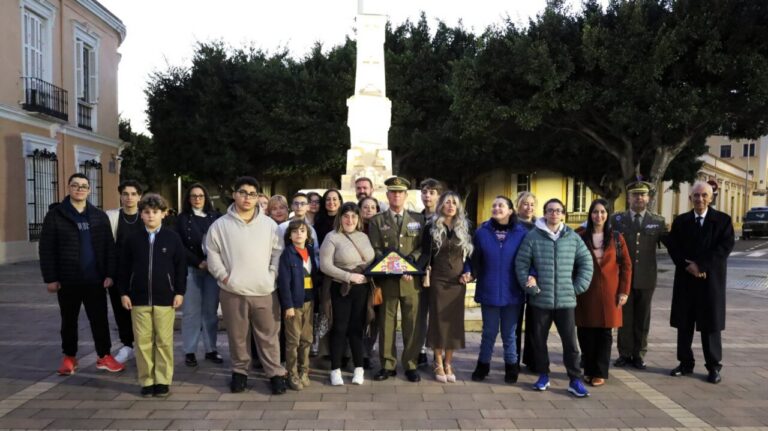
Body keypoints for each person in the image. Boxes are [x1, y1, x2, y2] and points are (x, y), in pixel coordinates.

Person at [205, 176, 287, 394]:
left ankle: (275, 373)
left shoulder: (270, 226)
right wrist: (224, 276)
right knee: (237, 335)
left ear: (258, 196)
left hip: (264, 290)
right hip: (233, 290)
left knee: (269, 335)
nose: (247, 198)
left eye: (252, 194)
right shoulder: (220, 225)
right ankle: (240, 372)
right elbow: (212, 253)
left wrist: (272, 274)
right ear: (235, 194)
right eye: (243, 192)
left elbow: (278, 252)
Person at [39, 173, 124, 376]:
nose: (79, 189)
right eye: (75, 185)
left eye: (84, 186)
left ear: (89, 190)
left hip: (95, 280)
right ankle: (69, 357)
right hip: (68, 280)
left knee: (100, 320)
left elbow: (108, 248)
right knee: (69, 321)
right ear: (68, 188)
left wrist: (110, 274)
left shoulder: (98, 216)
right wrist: (50, 278)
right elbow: (46, 248)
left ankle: (104, 356)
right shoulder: (56, 215)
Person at [515, 198, 593, 397]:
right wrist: (530, 286)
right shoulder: (533, 236)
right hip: (540, 300)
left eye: (558, 211)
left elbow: (586, 262)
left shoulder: (572, 237)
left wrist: (578, 286)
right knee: (539, 341)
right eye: (550, 210)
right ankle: (543, 375)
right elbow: (521, 264)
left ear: (563, 214)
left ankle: (575, 379)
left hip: (566, 301)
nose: (554, 214)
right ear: (545, 213)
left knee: (570, 342)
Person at [665, 181, 734, 384]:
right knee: (684, 324)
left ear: (711, 198)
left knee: (710, 326)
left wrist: (702, 266)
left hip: (710, 282)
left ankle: (713, 366)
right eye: (696, 195)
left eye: (704, 195)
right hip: (686, 281)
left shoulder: (722, 221)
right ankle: (685, 363)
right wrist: (689, 267)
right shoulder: (681, 221)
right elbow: (673, 246)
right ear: (690, 198)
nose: (700, 199)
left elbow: (725, 247)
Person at [119, 194, 186, 397]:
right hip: (138, 299)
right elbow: (123, 267)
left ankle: (163, 380)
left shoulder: (172, 238)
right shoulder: (132, 239)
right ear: (141, 214)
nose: (151, 216)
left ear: (163, 214)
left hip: (165, 299)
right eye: (147, 212)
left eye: (155, 212)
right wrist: (123, 292)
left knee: (164, 341)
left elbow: (180, 267)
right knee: (142, 341)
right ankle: (146, 380)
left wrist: (180, 292)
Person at [368, 176, 425, 382]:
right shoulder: (377, 221)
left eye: (400, 192)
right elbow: (374, 248)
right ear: (387, 195)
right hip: (388, 280)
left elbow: (421, 247)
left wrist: (412, 262)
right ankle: (388, 365)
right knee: (386, 323)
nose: (396, 195)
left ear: (406, 195)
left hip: (411, 280)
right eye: (393, 192)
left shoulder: (418, 220)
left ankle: (410, 364)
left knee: (412, 324)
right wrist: (390, 265)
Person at [470, 196, 528, 384]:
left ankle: (511, 366)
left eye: (501, 205)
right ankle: (483, 365)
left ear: (511, 211)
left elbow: (530, 259)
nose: (496, 208)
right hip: (489, 289)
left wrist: (532, 275)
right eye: (494, 205)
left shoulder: (521, 233)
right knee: (489, 332)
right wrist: (468, 272)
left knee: (509, 334)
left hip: (513, 291)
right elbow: (473, 259)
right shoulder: (481, 232)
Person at [612, 181, 667, 370]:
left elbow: (673, 245)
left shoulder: (657, 221)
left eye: (642, 195)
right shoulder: (617, 220)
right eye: (635, 195)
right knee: (624, 318)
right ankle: (624, 353)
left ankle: (639, 354)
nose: (639, 198)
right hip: (623, 279)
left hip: (646, 277)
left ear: (648, 198)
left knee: (643, 318)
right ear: (628, 198)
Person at [576, 199, 631, 387]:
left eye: (602, 212)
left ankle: (599, 372)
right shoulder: (580, 235)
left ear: (607, 215)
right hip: (586, 290)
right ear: (590, 214)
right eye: (595, 212)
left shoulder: (616, 238)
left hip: (610, 291)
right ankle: (588, 370)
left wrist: (624, 291)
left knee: (605, 333)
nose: (598, 216)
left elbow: (626, 266)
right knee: (585, 331)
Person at [320, 203, 375, 385]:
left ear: (358, 218)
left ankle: (358, 368)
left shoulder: (363, 237)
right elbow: (325, 265)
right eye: (346, 216)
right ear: (340, 218)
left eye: (353, 216)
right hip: (341, 288)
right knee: (339, 328)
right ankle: (335, 369)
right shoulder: (332, 237)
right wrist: (349, 276)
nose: (350, 220)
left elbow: (370, 259)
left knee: (357, 328)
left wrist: (363, 271)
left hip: (363, 288)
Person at [421, 191, 473, 383]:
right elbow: (425, 255)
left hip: (457, 282)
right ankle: (438, 362)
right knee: (438, 321)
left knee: (454, 323)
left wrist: (469, 272)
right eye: (447, 202)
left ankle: (449, 362)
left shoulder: (465, 228)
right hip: (438, 281)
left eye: (454, 203)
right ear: (440, 205)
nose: (451, 206)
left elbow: (470, 256)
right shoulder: (431, 227)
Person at [176, 183, 222, 367]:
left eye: (201, 196)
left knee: (210, 312)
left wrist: (212, 263)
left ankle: (211, 349)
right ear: (188, 198)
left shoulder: (215, 217)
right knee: (191, 313)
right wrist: (198, 262)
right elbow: (179, 246)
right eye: (193, 196)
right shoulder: (181, 219)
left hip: (213, 270)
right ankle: (190, 351)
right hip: (191, 269)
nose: (197, 199)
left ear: (206, 198)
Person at [105, 179, 144, 364]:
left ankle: (142, 346)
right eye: (125, 194)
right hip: (119, 274)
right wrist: (109, 274)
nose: (129, 198)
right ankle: (127, 345)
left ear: (139, 197)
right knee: (121, 312)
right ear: (120, 196)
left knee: (141, 311)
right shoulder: (112, 217)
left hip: (141, 275)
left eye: (133, 194)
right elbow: (106, 247)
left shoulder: (146, 217)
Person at [277, 219, 319, 391]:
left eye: (302, 230)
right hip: (294, 304)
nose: (298, 234)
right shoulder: (287, 254)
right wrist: (288, 306)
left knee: (307, 339)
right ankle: (292, 373)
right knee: (293, 341)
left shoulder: (309, 251)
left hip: (310, 301)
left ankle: (304, 370)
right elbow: (284, 283)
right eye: (294, 231)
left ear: (308, 234)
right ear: (290, 235)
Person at [417, 178, 444, 366]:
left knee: (437, 316)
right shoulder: (416, 218)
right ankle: (419, 351)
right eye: (425, 192)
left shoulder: (445, 219)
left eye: (432, 192)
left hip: (440, 274)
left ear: (439, 196)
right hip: (420, 273)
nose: (428, 195)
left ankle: (437, 353)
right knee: (420, 315)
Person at [514, 191, 537, 371]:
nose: (528, 207)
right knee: (514, 322)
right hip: (515, 278)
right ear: (518, 206)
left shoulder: (540, 226)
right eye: (525, 204)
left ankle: (531, 358)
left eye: (531, 204)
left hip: (534, 279)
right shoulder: (511, 224)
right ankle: (512, 359)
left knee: (535, 321)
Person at [359, 196, 381, 369]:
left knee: (374, 317)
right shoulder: (354, 228)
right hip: (358, 279)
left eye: (373, 207)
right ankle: (358, 351)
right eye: (365, 207)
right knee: (359, 316)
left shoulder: (381, 229)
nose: (369, 210)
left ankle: (368, 350)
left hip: (377, 281)